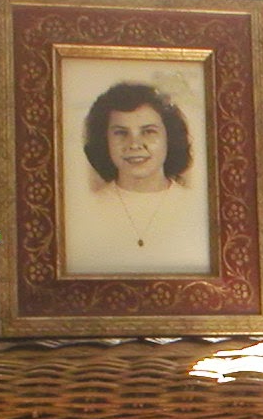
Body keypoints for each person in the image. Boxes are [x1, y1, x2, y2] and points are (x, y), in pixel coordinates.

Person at [69, 81, 206, 275]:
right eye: (121, 133)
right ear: (104, 140)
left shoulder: (197, 205)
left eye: (148, 132)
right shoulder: (85, 208)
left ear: (170, 138)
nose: (134, 144)